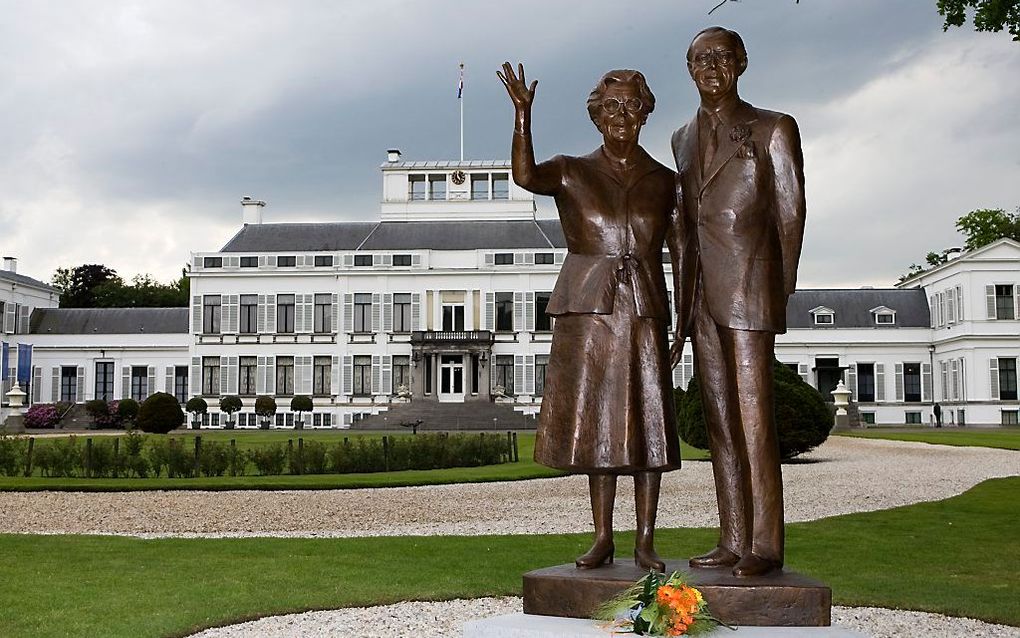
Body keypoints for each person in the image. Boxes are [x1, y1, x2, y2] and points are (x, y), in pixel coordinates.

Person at [498, 62, 682, 572]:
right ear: (597, 116)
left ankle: (645, 539)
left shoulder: (666, 181)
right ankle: (603, 536)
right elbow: (525, 176)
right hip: (589, 311)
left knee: (647, 425)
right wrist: (522, 117)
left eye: (630, 105)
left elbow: (683, 255)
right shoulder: (571, 170)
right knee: (601, 424)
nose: (621, 115)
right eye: (611, 107)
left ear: (644, 112)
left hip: (644, 310)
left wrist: (683, 325)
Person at [670, 27, 806, 578]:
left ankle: (766, 544)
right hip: (701, 293)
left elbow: (791, 213)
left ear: (741, 62)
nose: (711, 67)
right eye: (700, 59)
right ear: (689, 68)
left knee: (754, 422)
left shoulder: (773, 127)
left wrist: (780, 287)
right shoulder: (680, 137)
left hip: (750, 288)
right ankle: (732, 537)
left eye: (722, 58)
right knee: (721, 422)